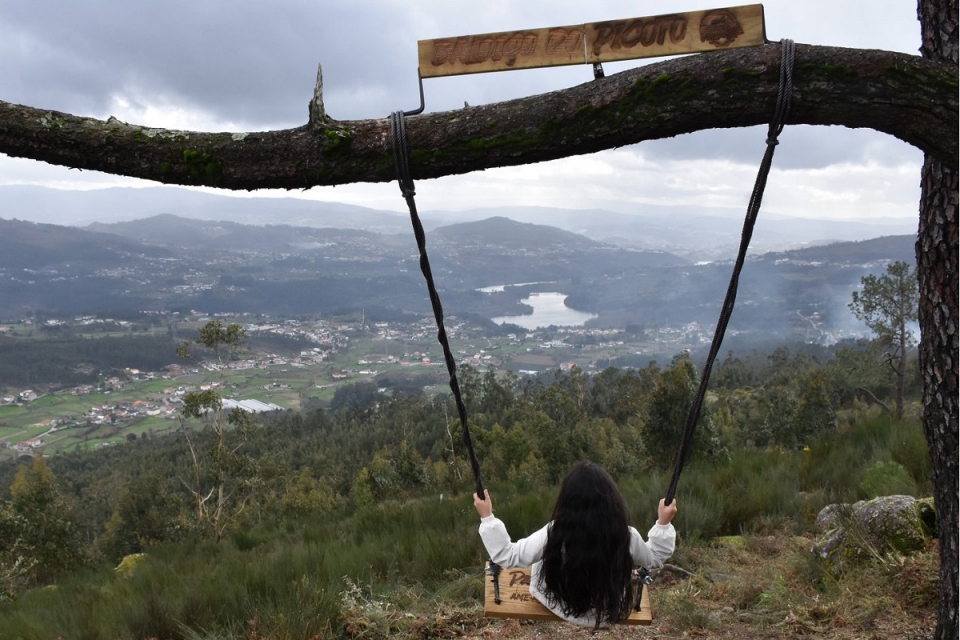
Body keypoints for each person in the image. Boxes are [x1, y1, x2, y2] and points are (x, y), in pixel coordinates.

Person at [474, 460, 677, 629]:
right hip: (605, 607)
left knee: (540, 562)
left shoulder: (555, 533)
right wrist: (663, 523)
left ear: (567, 501)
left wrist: (487, 517)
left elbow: (508, 556)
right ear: (612, 500)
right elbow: (655, 557)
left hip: (560, 602)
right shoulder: (625, 535)